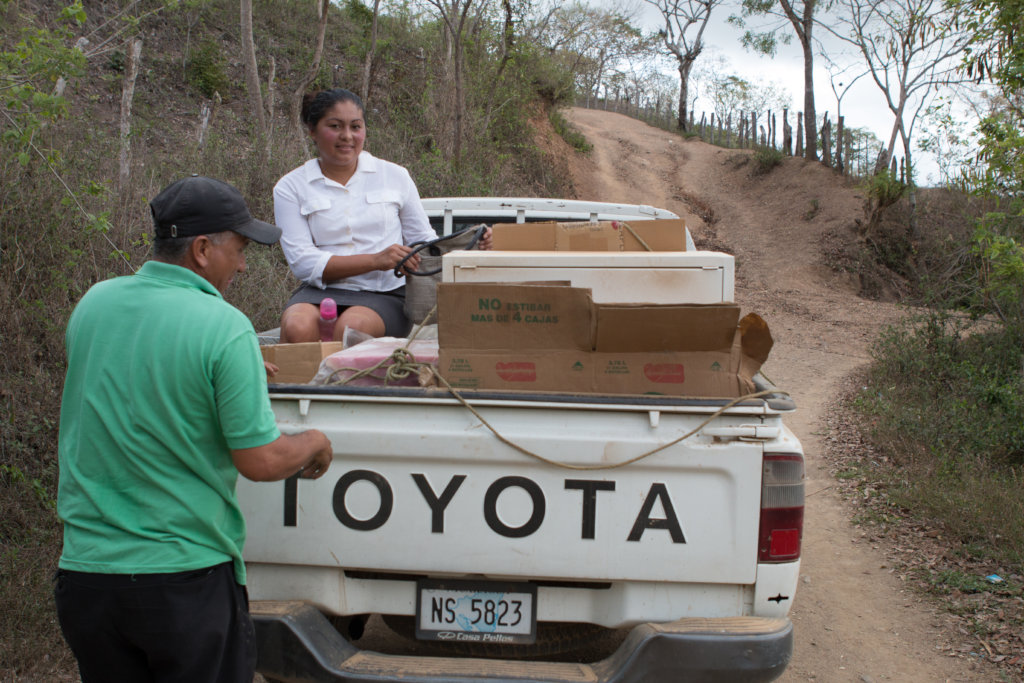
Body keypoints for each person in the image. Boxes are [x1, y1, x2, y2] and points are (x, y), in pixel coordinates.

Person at [54, 175, 334, 683]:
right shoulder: (223, 326)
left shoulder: (93, 303)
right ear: (202, 249)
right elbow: (262, 459)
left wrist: (236, 370)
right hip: (182, 580)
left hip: (87, 580)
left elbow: (138, 378)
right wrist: (313, 442)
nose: (245, 264)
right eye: (241, 248)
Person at [273, 87, 491, 342]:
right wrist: (376, 260)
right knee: (297, 327)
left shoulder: (395, 176)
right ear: (312, 130)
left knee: (350, 329)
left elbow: (424, 241)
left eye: (356, 127)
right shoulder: (290, 187)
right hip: (319, 291)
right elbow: (303, 263)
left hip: (385, 293)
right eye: (335, 126)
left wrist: (474, 244)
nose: (347, 136)